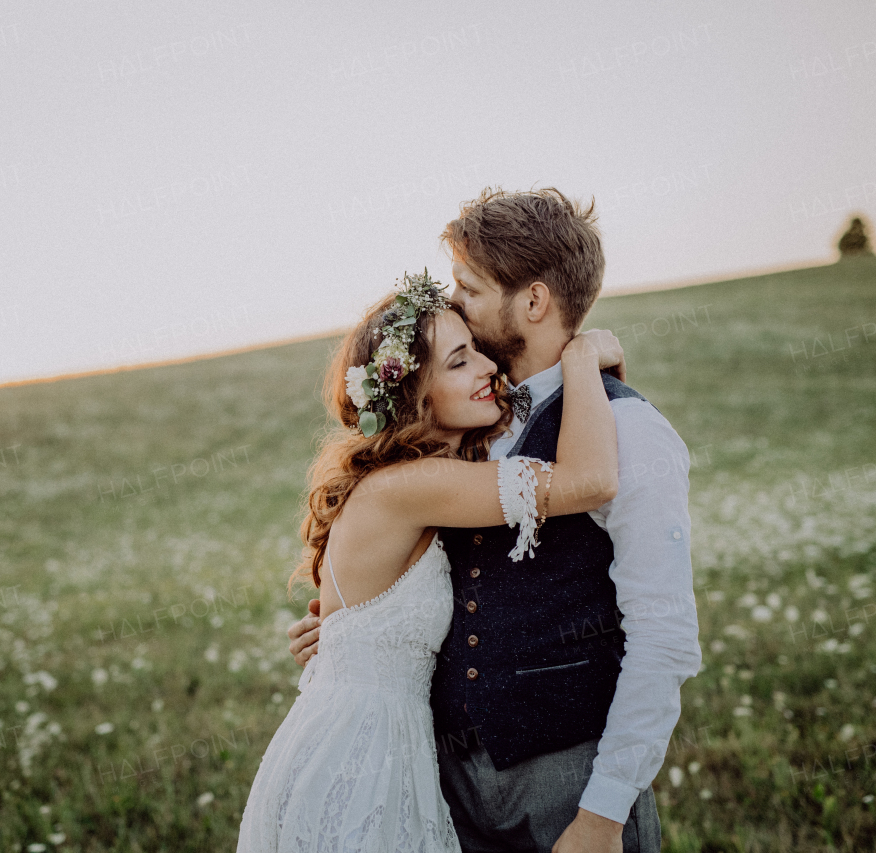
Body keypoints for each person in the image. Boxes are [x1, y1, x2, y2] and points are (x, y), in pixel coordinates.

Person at [287, 188, 703, 853]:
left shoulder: (630, 431)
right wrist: (348, 630)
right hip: (444, 790)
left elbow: (665, 638)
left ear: (533, 301)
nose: (457, 307)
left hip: (567, 786)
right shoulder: (462, 430)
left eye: (469, 289)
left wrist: (603, 813)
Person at [237, 269, 626, 852]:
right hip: (359, 759)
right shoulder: (413, 485)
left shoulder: (406, 485)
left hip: (372, 744)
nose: (488, 368)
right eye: (459, 361)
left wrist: (337, 642)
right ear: (416, 394)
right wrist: (582, 356)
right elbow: (590, 480)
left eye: (476, 351)